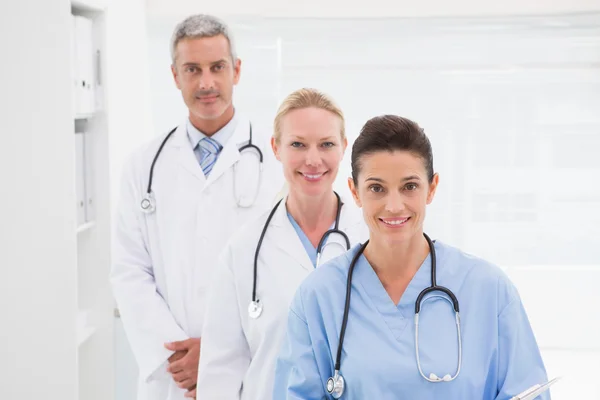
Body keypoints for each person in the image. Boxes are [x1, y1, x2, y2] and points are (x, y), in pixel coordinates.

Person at [273, 115, 550, 399]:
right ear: (355, 191)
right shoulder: (319, 296)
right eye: (376, 188)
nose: (394, 206)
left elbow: (529, 392)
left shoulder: (488, 290)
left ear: (432, 187)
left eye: (410, 186)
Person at [110, 14, 282, 400]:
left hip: (247, 371)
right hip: (172, 375)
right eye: (192, 69)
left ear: (236, 71)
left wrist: (218, 354)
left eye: (217, 67)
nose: (206, 82)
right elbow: (129, 271)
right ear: (175, 76)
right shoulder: (143, 166)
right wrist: (178, 357)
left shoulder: (278, 162)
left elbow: (280, 274)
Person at [195, 88, 368, 399]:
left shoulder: (371, 240)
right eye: (298, 144)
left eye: (326, 144)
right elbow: (219, 373)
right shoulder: (244, 250)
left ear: (344, 147)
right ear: (276, 148)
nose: (312, 159)